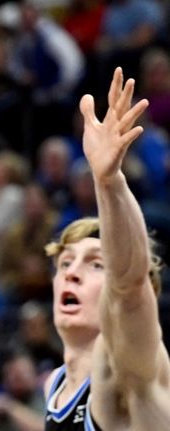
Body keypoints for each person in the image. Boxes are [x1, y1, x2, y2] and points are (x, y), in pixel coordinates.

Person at [43, 67, 168, 430]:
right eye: (65, 263)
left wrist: (109, 182)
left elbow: (128, 286)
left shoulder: (126, 373)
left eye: (95, 264)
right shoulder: (56, 384)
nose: (72, 272)